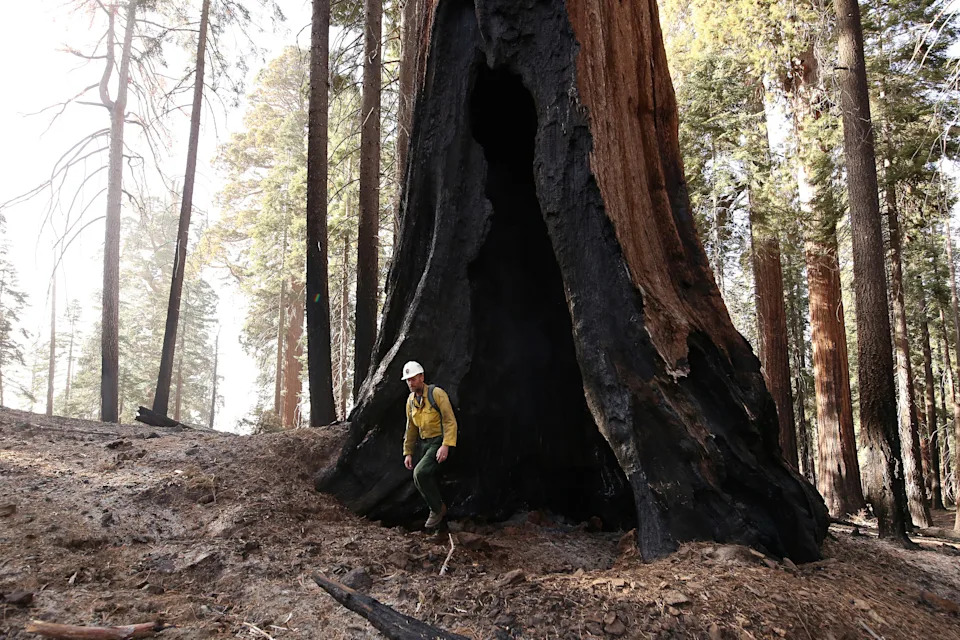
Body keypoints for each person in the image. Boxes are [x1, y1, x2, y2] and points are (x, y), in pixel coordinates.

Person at [401, 360, 458, 528]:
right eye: (408, 380)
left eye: (413, 378)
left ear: (422, 377)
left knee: (420, 473)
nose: (410, 383)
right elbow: (410, 428)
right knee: (420, 479)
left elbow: (449, 421)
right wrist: (408, 452)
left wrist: (446, 445)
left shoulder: (437, 394)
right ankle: (441, 526)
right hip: (425, 444)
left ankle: (437, 509)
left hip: (439, 442)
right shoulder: (410, 401)